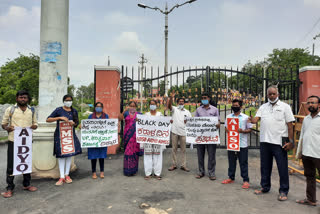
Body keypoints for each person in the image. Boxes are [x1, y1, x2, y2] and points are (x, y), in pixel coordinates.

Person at [250, 85, 294, 201]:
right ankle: (265, 187)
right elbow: (256, 119)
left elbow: (290, 125)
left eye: (274, 94)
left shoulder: (285, 107)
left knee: (282, 168)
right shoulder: (263, 107)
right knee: (265, 167)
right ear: (267, 95)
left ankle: (284, 191)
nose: (272, 96)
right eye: (270, 94)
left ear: (278, 94)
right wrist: (251, 119)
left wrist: (291, 141)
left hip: (279, 142)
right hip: (265, 141)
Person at [1, 90, 38, 198]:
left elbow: (35, 123)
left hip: (26, 141)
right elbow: (4, 124)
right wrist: (8, 128)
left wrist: (34, 126)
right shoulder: (11, 109)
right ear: (17, 98)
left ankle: (26, 184)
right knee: (11, 164)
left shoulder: (31, 110)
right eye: (21, 97)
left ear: (28, 99)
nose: (23, 99)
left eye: (25, 97)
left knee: (26, 161)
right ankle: (9, 188)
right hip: (14, 140)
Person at [46, 94, 82, 186]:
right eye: (67, 100)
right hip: (60, 135)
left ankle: (67, 175)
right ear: (63, 101)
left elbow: (76, 123)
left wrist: (73, 124)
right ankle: (61, 176)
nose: (68, 102)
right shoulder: (58, 110)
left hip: (70, 135)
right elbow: (48, 119)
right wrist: (59, 118)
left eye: (70, 100)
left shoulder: (74, 111)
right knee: (61, 155)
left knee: (69, 154)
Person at [296, 95, 320, 206]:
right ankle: (311, 200)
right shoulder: (306, 119)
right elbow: (302, 136)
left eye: (313, 102)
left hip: (318, 154)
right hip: (307, 153)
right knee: (310, 177)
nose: (310, 105)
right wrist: (300, 152)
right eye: (308, 103)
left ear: (318, 105)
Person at [222, 99, 252, 188]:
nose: (234, 107)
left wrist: (243, 131)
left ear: (241, 107)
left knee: (243, 162)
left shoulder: (245, 117)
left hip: (242, 143)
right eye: (233, 106)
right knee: (231, 161)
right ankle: (231, 177)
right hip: (232, 142)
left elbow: (250, 129)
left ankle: (246, 180)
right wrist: (226, 130)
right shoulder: (228, 117)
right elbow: (226, 127)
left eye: (236, 106)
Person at [194, 93, 220, 180]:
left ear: (209, 99)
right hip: (201, 136)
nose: (203, 99)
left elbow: (218, 121)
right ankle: (201, 172)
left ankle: (211, 173)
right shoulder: (198, 110)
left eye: (205, 98)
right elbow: (195, 122)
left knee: (211, 155)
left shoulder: (215, 109)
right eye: (202, 98)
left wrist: (218, 124)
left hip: (211, 136)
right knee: (200, 155)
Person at [167, 91, 192, 172]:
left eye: (182, 102)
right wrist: (171, 98)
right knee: (174, 149)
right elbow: (169, 106)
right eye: (180, 102)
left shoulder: (187, 112)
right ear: (177, 103)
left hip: (183, 133)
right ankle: (174, 164)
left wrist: (187, 122)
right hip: (175, 131)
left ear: (184, 103)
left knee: (183, 150)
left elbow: (191, 121)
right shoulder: (174, 109)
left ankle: (183, 165)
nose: (181, 103)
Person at [142, 100, 165, 180]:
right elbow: (142, 125)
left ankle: (157, 173)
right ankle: (148, 173)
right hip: (148, 138)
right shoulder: (146, 115)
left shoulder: (160, 115)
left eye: (154, 104)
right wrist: (139, 121)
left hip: (157, 138)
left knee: (158, 155)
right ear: (149, 106)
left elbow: (164, 124)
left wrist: (169, 122)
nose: (152, 106)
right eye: (151, 104)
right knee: (147, 155)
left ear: (156, 105)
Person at [118, 101, 142, 176]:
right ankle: (127, 170)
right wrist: (124, 110)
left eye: (133, 106)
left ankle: (133, 170)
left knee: (134, 152)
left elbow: (144, 122)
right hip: (127, 136)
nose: (132, 107)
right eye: (131, 106)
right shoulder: (126, 113)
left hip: (135, 136)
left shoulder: (139, 114)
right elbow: (119, 118)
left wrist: (140, 120)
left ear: (136, 107)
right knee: (128, 152)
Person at [87, 102, 109, 179]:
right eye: (97, 106)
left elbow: (108, 126)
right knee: (93, 157)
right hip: (93, 140)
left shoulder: (105, 116)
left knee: (101, 156)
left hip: (102, 140)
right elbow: (87, 126)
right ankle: (94, 172)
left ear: (102, 108)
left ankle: (102, 172)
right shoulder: (90, 116)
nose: (98, 108)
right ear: (95, 107)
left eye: (100, 106)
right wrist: (82, 126)